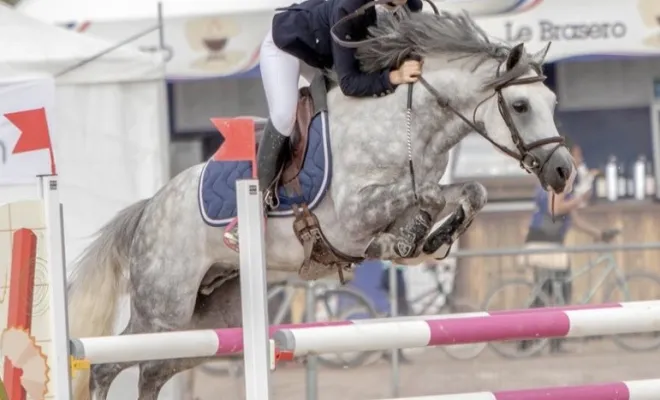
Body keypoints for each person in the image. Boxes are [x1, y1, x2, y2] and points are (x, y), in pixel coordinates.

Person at [224, 0, 425, 250]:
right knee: (285, 116)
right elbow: (350, 84)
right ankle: (253, 210)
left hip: (324, 51)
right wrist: (394, 77)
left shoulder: (406, 4)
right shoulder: (348, 8)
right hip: (287, 48)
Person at [520, 137, 605, 354]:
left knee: (548, 294)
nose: (579, 160)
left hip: (545, 242)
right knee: (552, 293)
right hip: (545, 245)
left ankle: (540, 342)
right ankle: (537, 341)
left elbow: (572, 218)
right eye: (576, 156)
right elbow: (556, 210)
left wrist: (598, 233)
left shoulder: (559, 180)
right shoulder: (556, 177)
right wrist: (579, 199)